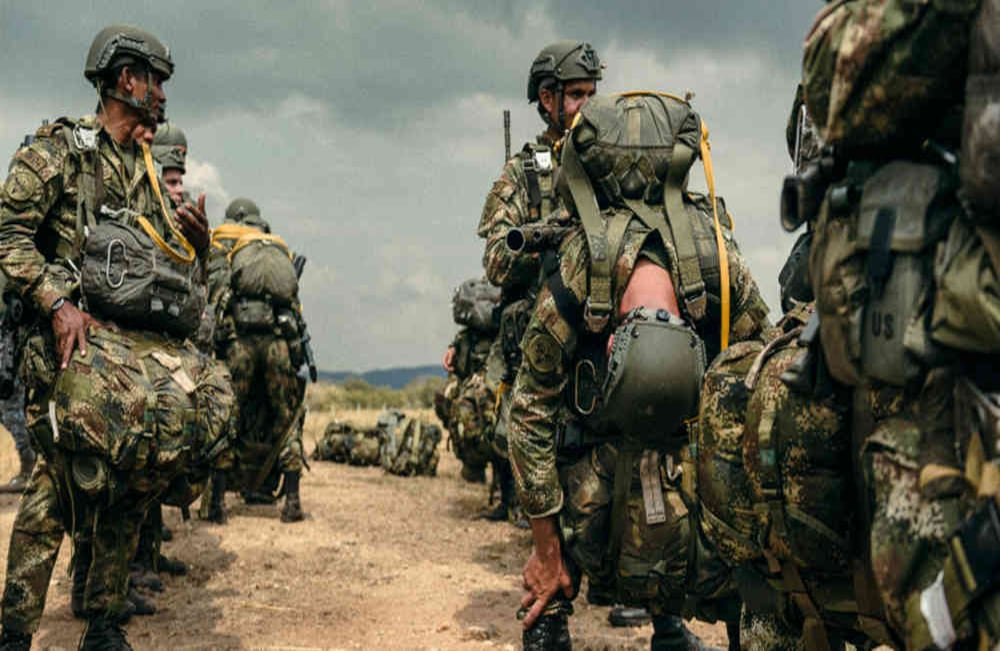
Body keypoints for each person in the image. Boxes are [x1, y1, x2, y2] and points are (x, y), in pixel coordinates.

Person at [507, 92, 771, 650]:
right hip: (704, 523)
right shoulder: (716, 252)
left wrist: (547, 551)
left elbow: (528, 411)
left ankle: (551, 614)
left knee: (547, 542)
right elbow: (768, 376)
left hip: (595, 523)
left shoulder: (582, 258)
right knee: (762, 578)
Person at [0, 24, 234, 649]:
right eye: (154, 80)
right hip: (68, 351)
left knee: (134, 478)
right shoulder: (60, 150)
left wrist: (198, 248)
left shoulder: (146, 173)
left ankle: (103, 624)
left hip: (127, 358)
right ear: (126, 79)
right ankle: (15, 633)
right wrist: (56, 304)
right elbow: (8, 234)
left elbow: (160, 272)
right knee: (58, 485)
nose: (162, 94)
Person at [207, 197, 312, 524]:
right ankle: (292, 500)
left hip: (238, 343)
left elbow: (213, 293)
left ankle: (217, 502)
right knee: (287, 417)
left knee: (226, 415)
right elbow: (293, 304)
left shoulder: (223, 242)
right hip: (278, 342)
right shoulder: (273, 247)